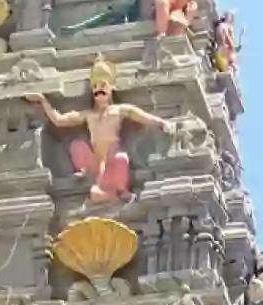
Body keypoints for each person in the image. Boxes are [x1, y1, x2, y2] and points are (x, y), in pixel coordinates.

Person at [25, 56, 174, 205]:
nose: (99, 89)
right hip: (96, 160)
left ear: (111, 88)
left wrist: (162, 123)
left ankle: (120, 191)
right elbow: (59, 120)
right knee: (77, 146)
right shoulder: (88, 115)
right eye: (95, 86)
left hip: (113, 155)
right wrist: (42, 100)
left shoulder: (120, 110)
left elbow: (143, 117)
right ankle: (90, 176)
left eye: (103, 85)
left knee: (120, 159)